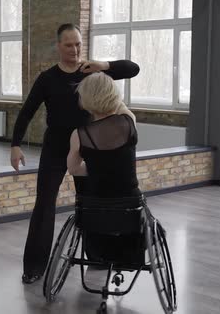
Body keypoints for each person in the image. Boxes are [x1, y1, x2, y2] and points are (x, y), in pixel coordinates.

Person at [11, 23, 140, 283]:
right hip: (56, 148)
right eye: (69, 44)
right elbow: (27, 112)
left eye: (78, 44)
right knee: (44, 205)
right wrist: (15, 144)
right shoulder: (47, 78)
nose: (75, 49)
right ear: (58, 46)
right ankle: (34, 267)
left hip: (89, 147)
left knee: (91, 205)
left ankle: (98, 257)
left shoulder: (91, 73)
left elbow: (133, 69)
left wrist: (104, 65)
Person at [67, 72, 141, 262]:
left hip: (95, 206)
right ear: (114, 95)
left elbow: (75, 170)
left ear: (85, 99)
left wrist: (97, 168)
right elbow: (122, 108)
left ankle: (98, 258)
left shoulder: (79, 135)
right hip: (129, 204)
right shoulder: (128, 122)